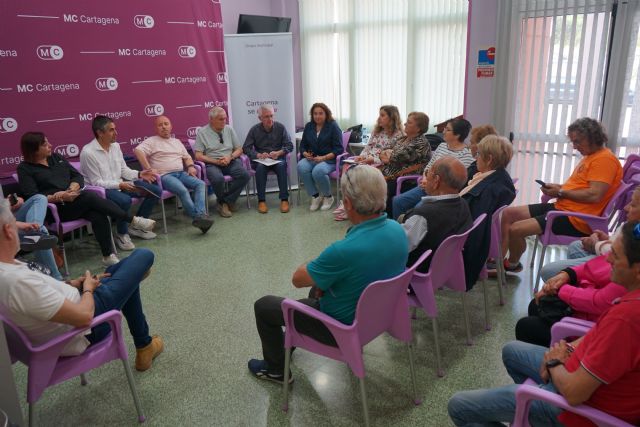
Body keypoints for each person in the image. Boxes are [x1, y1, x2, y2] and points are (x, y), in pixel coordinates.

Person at [448, 221, 640, 426]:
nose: (607, 258)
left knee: (459, 405)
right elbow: (598, 337)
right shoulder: (631, 299)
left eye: (616, 255)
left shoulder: (627, 319)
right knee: (512, 352)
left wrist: (554, 363)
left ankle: (536, 407)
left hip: (578, 412)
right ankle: (529, 412)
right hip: (577, 377)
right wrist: (567, 348)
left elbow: (575, 394)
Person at [248, 165, 408, 383]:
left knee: (265, 306)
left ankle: (275, 370)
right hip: (378, 317)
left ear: (348, 204)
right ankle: (289, 341)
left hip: (339, 328)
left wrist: (322, 262)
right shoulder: (397, 229)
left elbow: (297, 279)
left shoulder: (343, 251)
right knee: (318, 287)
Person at [0, 198, 164, 371]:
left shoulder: (8, 268)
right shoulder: (16, 282)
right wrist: (87, 290)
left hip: (75, 307)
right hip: (87, 327)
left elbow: (39, 295)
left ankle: (144, 345)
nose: (20, 230)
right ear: (8, 231)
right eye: (15, 223)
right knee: (143, 255)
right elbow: (84, 316)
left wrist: (73, 284)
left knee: (122, 272)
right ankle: (144, 345)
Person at [499, 117, 623, 273]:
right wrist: (559, 187)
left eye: (578, 141)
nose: (575, 147)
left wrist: (560, 192)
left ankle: (511, 264)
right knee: (509, 213)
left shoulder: (604, 161)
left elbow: (594, 195)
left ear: (593, 137)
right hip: (563, 207)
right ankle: (499, 258)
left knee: (516, 229)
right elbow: (581, 187)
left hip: (575, 218)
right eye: (573, 142)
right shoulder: (592, 157)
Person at [17, 132, 156, 266]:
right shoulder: (25, 169)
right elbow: (33, 197)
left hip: (76, 200)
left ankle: (108, 256)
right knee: (90, 197)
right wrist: (58, 197)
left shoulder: (56, 157)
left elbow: (77, 176)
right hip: (56, 209)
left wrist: (73, 186)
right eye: (45, 144)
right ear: (34, 150)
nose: (50, 145)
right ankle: (132, 220)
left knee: (97, 214)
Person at [81, 115, 160, 251]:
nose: (116, 133)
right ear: (100, 133)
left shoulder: (116, 146)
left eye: (115, 129)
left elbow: (124, 170)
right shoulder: (88, 152)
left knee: (155, 191)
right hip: (101, 191)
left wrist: (139, 174)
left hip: (120, 185)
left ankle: (136, 227)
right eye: (111, 130)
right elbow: (96, 183)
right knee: (124, 201)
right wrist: (120, 185)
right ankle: (122, 234)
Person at [538, 186, 640, 282]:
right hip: (564, 209)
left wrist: (595, 245)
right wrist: (608, 239)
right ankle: (580, 279)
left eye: (633, 205)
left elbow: (620, 251)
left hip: (609, 258)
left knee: (549, 271)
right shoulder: (631, 225)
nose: (626, 208)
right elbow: (621, 243)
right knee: (576, 246)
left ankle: (577, 280)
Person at [135, 116, 213, 234]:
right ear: (156, 128)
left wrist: (191, 166)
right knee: (182, 190)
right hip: (166, 176)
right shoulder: (152, 141)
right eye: (160, 125)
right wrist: (148, 169)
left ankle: (201, 215)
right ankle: (198, 218)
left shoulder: (176, 142)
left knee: (201, 184)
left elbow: (187, 157)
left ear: (171, 126)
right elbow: (138, 150)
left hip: (181, 173)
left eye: (166, 124)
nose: (164, 127)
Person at [460, 135, 516, 289]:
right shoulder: (498, 179)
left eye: (478, 154)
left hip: (458, 242)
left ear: (489, 159)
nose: (475, 158)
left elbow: (470, 224)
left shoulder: (487, 190)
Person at [399, 156, 471, 273]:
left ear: (436, 180)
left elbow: (400, 248)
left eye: (428, 173)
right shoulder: (463, 204)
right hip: (441, 269)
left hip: (413, 272)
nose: (425, 177)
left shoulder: (423, 216)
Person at [391, 118, 474, 219]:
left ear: (457, 135)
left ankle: (415, 232)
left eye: (447, 129)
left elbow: (455, 181)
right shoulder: (442, 146)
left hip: (442, 193)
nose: (443, 131)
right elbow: (429, 167)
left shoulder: (466, 155)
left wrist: (431, 183)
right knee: (397, 201)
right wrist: (426, 179)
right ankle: (399, 232)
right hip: (427, 186)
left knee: (418, 211)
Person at [195, 107, 250, 218]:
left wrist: (230, 157)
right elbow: (198, 155)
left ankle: (225, 201)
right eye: (221, 119)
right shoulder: (202, 132)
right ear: (211, 119)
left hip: (230, 160)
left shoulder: (229, 129)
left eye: (225, 119)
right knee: (217, 179)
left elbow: (239, 149)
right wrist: (215, 161)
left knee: (244, 175)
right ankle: (225, 203)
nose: (224, 121)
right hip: (212, 163)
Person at [242, 104, 293, 214]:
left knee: (281, 166)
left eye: (271, 116)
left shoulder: (281, 127)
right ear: (260, 118)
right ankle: (261, 201)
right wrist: (258, 155)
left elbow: (289, 146)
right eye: (266, 117)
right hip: (262, 160)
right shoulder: (254, 130)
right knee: (260, 168)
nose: (270, 119)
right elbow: (246, 148)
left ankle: (284, 200)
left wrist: (279, 152)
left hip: (278, 158)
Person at [380, 112, 432, 217]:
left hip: (405, 179)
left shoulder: (420, 143)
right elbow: (383, 151)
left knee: (382, 189)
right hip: (388, 175)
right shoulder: (403, 138)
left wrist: (389, 155)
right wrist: (386, 155)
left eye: (409, 122)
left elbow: (395, 157)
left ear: (418, 128)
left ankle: (387, 219)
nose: (404, 124)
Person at [4, 189, 62, 280]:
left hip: (8, 217)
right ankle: (57, 279)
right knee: (41, 231)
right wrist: (18, 224)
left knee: (40, 198)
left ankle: (34, 232)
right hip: (5, 224)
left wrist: (10, 203)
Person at [297, 102, 344, 211]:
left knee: (317, 171)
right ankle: (315, 196)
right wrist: (305, 154)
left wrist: (323, 158)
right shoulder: (309, 126)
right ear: (312, 115)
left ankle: (328, 197)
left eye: (320, 113)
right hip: (312, 158)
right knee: (301, 166)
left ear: (326, 114)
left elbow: (339, 149)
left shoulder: (333, 126)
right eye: (315, 114)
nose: (317, 116)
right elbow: (303, 145)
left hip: (329, 160)